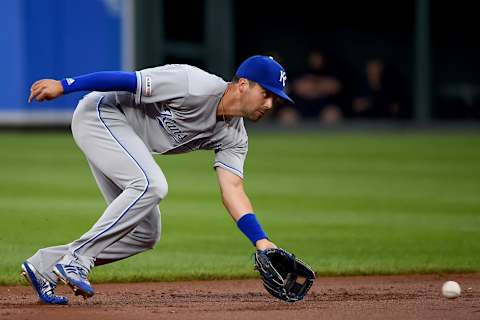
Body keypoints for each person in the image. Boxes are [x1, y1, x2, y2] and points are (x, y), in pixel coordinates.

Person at [22, 55, 292, 304]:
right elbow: (125, 80)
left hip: (123, 138)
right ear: (243, 85)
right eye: (265, 94)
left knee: (145, 234)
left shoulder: (235, 137)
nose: (269, 104)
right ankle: (76, 260)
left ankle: (44, 267)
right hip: (101, 114)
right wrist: (65, 85)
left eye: (275, 99)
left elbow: (232, 189)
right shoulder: (193, 84)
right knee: (151, 185)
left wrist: (261, 240)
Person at [276, 49, 343, 125]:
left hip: (323, 104)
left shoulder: (331, 71)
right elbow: (299, 88)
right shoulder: (299, 71)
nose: (316, 60)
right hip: (300, 105)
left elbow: (334, 87)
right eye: (314, 57)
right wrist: (320, 86)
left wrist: (314, 85)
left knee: (332, 113)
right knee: (287, 115)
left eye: (318, 57)